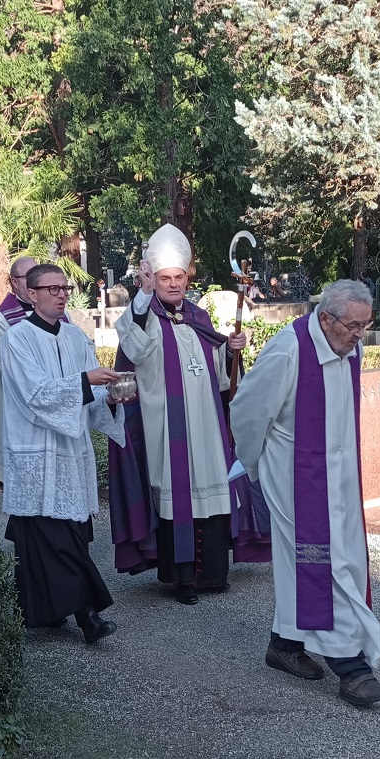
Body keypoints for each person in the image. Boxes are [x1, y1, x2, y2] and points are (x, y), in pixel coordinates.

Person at [230, 280, 380, 709]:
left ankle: (283, 643)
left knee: (339, 558)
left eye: (365, 325)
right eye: (353, 326)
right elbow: (246, 409)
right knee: (323, 564)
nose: (359, 336)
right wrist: (254, 466)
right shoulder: (289, 349)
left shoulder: (345, 345)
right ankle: (352, 669)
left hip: (336, 478)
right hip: (292, 477)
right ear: (325, 318)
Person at [110, 224, 271, 605]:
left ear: (187, 277)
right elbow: (133, 349)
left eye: (178, 277)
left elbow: (219, 375)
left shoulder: (198, 317)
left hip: (207, 428)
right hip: (166, 428)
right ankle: (182, 579)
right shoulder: (143, 316)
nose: (172, 284)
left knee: (213, 495)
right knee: (177, 496)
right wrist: (143, 294)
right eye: (164, 278)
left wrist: (231, 350)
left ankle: (213, 575)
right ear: (154, 279)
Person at [0, 264, 127, 644]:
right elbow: (34, 394)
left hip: (72, 451)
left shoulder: (75, 337)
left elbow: (90, 400)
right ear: (32, 293)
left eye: (64, 288)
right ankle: (88, 614)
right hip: (36, 453)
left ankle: (44, 611)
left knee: (72, 533)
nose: (60, 294)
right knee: (53, 537)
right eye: (51, 288)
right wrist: (87, 382)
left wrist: (114, 397)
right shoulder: (17, 338)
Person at [0, 256, 67, 478]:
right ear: (14, 282)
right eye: (28, 277)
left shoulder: (61, 317)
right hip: (22, 409)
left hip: (60, 405)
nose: (34, 282)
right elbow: (3, 365)